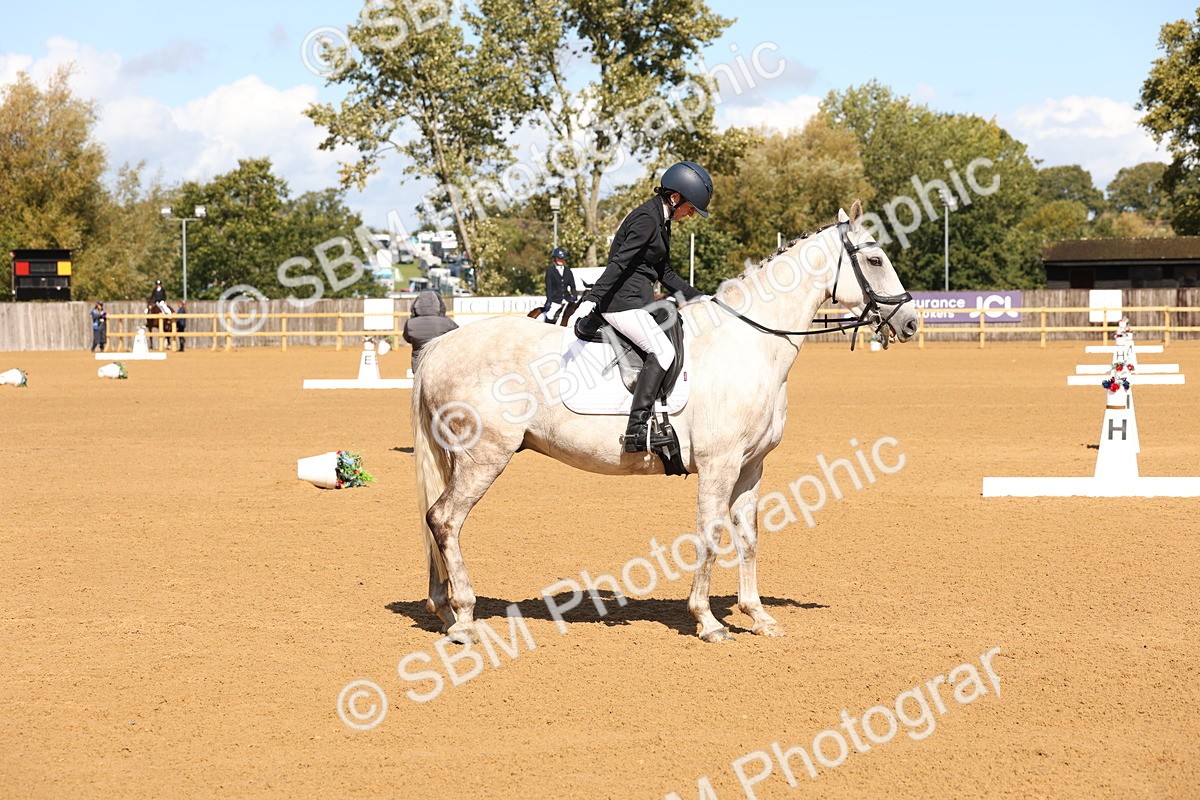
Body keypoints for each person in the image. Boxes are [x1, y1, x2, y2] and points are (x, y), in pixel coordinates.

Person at [575, 160, 714, 453]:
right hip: (621, 302)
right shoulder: (646, 219)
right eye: (691, 208)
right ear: (675, 198)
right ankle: (636, 429)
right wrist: (592, 298)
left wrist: (699, 296)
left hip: (638, 301)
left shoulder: (662, 220)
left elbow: (664, 273)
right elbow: (620, 263)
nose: (691, 215)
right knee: (663, 352)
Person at [402, 290, 459, 373]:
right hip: (440, 363)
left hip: (418, 365)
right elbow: (458, 336)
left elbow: (407, 338)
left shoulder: (410, 323)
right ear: (438, 305)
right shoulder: (446, 322)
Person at [540, 247, 578, 323]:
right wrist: (549, 301)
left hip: (567, 300)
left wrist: (574, 295)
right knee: (549, 315)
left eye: (562, 258)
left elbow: (572, 286)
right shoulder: (550, 271)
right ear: (554, 258)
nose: (560, 260)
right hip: (555, 300)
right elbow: (549, 288)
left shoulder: (568, 271)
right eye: (558, 258)